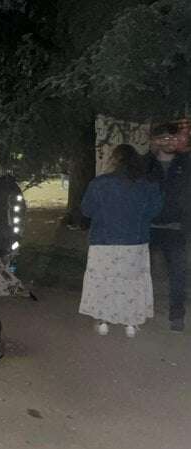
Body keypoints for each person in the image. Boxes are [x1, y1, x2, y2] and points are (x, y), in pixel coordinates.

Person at [79, 144, 162, 337]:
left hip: (103, 242)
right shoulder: (148, 184)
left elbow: (86, 210)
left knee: (103, 281)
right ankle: (130, 323)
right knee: (131, 282)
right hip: (135, 242)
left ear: (115, 160)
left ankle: (103, 321)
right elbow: (155, 211)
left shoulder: (99, 183)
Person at [145, 123, 190, 332]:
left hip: (176, 228)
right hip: (147, 227)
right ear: (155, 140)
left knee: (178, 274)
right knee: (144, 272)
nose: (169, 142)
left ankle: (177, 316)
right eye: (164, 138)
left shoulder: (186, 163)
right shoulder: (144, 164)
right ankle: (142, 309)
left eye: (173, 138)